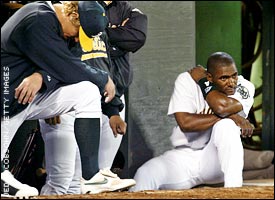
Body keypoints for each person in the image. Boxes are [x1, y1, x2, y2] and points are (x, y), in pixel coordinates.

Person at [1, 1, 115, 198]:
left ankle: (91, 177)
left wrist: (42, 77)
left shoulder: (62, 29)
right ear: (73, 16)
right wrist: (103, 78)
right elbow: (66, 66)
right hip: (6, 102)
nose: (78, 41)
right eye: (79, 33)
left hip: (26, 99)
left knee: (87, 92)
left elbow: (63, 65)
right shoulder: (38, 18)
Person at [37, 1, 148, 195]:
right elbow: (45, 54)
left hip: (101, 102)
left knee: (96, 179)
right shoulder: (67, 10)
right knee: (63, 179)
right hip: (63, 101)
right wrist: (50, 99)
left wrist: (113, 110)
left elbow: (134, 39)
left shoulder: (114, 13)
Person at [129, 52, 255, 191]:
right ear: (209, 77)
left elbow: (221, 106)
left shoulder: (244, 86)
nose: (231, 82)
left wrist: (203, 82)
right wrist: (233, 116)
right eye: (224, 78)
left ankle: (234, 191)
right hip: (185, 157)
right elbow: (186, 123)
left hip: (217, 160)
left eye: (234, 75)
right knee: (145, 174)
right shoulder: (187, 80)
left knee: (226, 126)